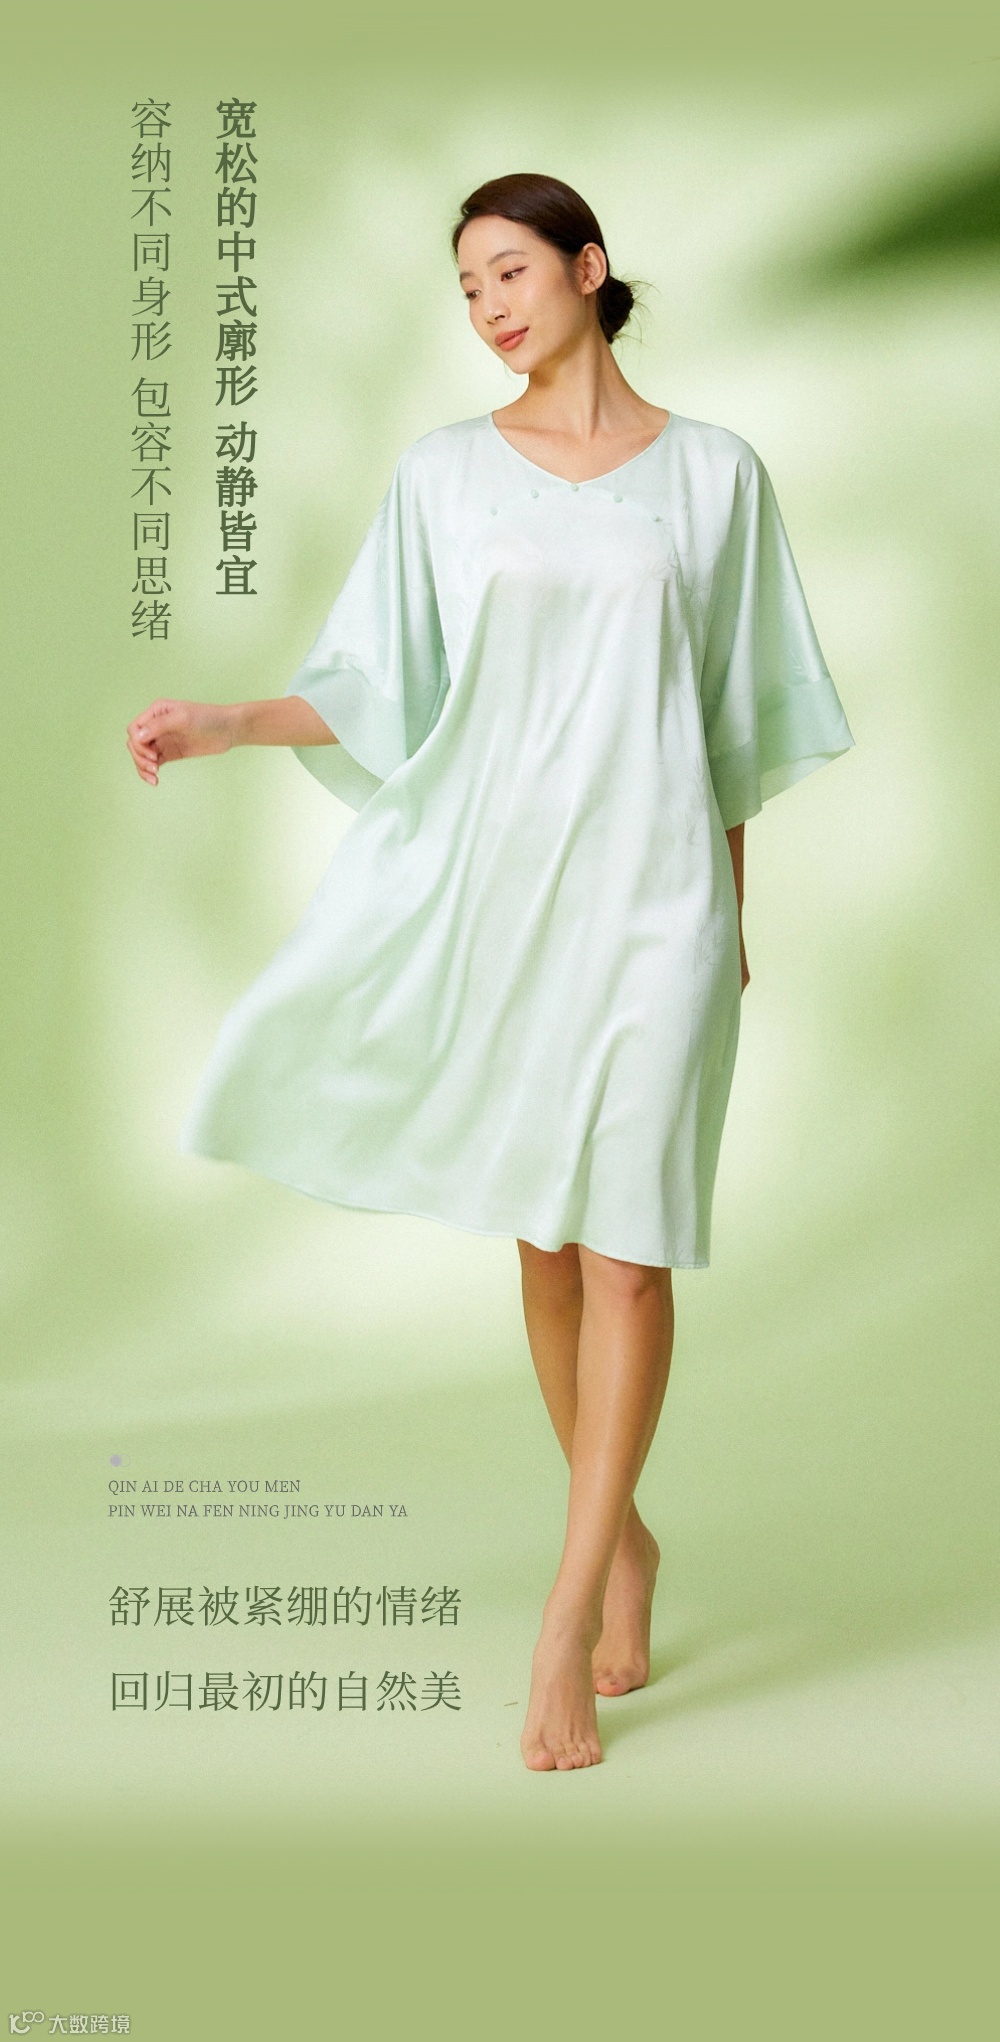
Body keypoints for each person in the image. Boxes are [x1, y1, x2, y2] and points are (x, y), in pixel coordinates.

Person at [126, 172, 855, 1771]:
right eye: (467, 288)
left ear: (590, 269)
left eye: (510, 271)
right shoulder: (446, 476)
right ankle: (628, 1535)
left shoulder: (717, 476)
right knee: (549, 1245)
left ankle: (566, 1615)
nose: (488, 307)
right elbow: (376, 679)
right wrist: (227, 720)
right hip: (510, 901)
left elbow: (734, 721)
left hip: (660, 897)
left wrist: (731, 914)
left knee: (633, 1255)